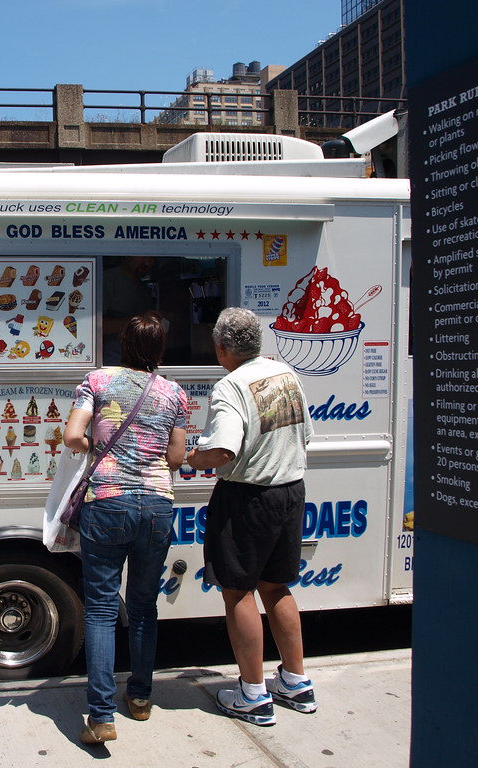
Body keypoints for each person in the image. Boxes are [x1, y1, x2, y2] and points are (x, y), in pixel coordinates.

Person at [185, 307, 316, 727]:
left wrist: (189, 457)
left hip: (247, 498)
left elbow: (224, 450)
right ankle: (296, 682)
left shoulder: (230, 386)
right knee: (277, 587)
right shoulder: (286, 374)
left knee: (238, 592)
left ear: (221, 348)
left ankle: (253, 694)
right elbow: (307, 435)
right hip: (291, 492)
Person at [63, 311, 188, 744]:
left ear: (124, 344)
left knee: (100, 610)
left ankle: (101, 716)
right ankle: (140, 698)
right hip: (157, 506)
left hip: (108, 502)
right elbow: (175, 457)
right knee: (144, 607)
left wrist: (101, 450)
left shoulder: (95, 382)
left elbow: (72, 436)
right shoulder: (174, 393)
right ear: (159, 349)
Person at [101, 256, 157, 365]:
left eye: (153, 259)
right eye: (144, 257)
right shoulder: (106, 280)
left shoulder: (144, 289)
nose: (148, 262)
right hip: (110, 366)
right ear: (127, 255)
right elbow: (93, 326)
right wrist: (139, 320)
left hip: (140, 365)